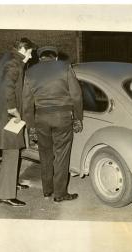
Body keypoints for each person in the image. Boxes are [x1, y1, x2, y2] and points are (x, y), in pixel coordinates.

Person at [22, 46, 83, 202]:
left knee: (45, 154)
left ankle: (47, 190)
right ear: (55, 57)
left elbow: (27, 103)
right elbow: (76, 95)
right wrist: (78, 118)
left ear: (40, 57)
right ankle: (60, 193)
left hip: (41, 118)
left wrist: (31, 127)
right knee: (61, 156)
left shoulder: (30, 72)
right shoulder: (65, 67)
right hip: (62, 117)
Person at [0, 37, 36, 207]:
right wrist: (13, 110)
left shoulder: (7, 59)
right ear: (23, 49)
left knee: (13, 153)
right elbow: (8, 89)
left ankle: (10, 184)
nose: (30, 57)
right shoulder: (14, 64)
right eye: (29, 53)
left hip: (3, 118)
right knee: (12, 153)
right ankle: (5, 194)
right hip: (8, 118)